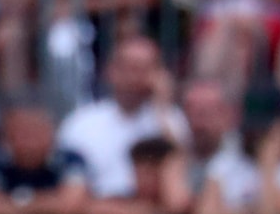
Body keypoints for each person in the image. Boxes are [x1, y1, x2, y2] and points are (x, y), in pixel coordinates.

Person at [56, 34, 188, 198]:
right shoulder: (81, 122)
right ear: (111, 70)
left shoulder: (170, 119)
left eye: (144, 69)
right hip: (95, 206)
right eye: (128, 68)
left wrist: (162, 106)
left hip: (152, 207)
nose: (133, 78)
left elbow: (182, 169)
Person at [0, 100, 91, 214]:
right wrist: (46, 206)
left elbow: (71, 206)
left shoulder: (70, 160)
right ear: (6, 136)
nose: (30, 142)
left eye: (36, 132)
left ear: (51, 133)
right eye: (22, 133)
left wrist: (17, 202)